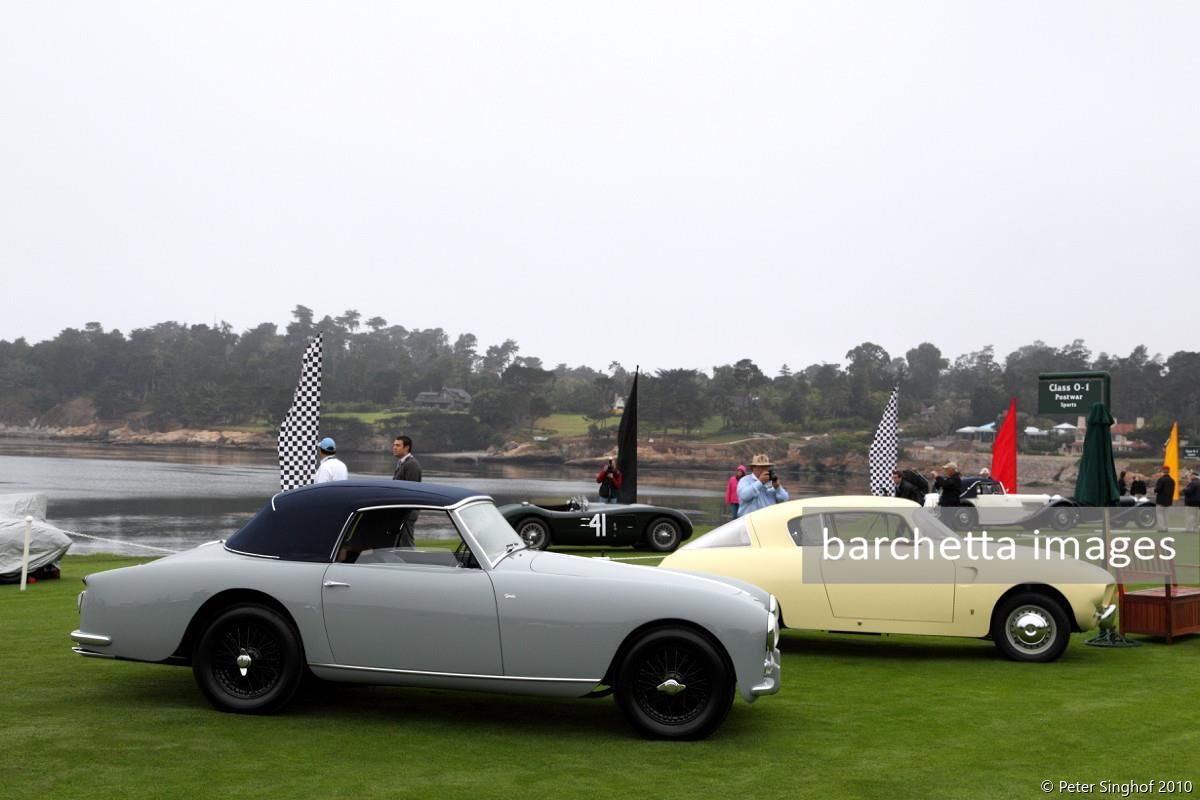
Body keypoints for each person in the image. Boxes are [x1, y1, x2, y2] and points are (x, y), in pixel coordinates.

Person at [391, 435, 422, 546]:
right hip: (402, 511)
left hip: (407, 512)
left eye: (398, 445)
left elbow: (412, 490)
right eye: (394, 445)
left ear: (407, 448)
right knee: (399, 544)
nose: (394, 448)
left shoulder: (411, 464)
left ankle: (412, 562)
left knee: (406, 544)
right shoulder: (403, 463)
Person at [1153, 465, 1175, 533]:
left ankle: (1162, 528)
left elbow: (1158, 489)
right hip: (1169, 500)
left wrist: (1155, 490)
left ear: (1163, 471)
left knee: (1160, 515)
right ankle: (1166, 527)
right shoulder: (1172, 480)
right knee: (1166, 515)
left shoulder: (1161, 480)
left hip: (1161, 500)